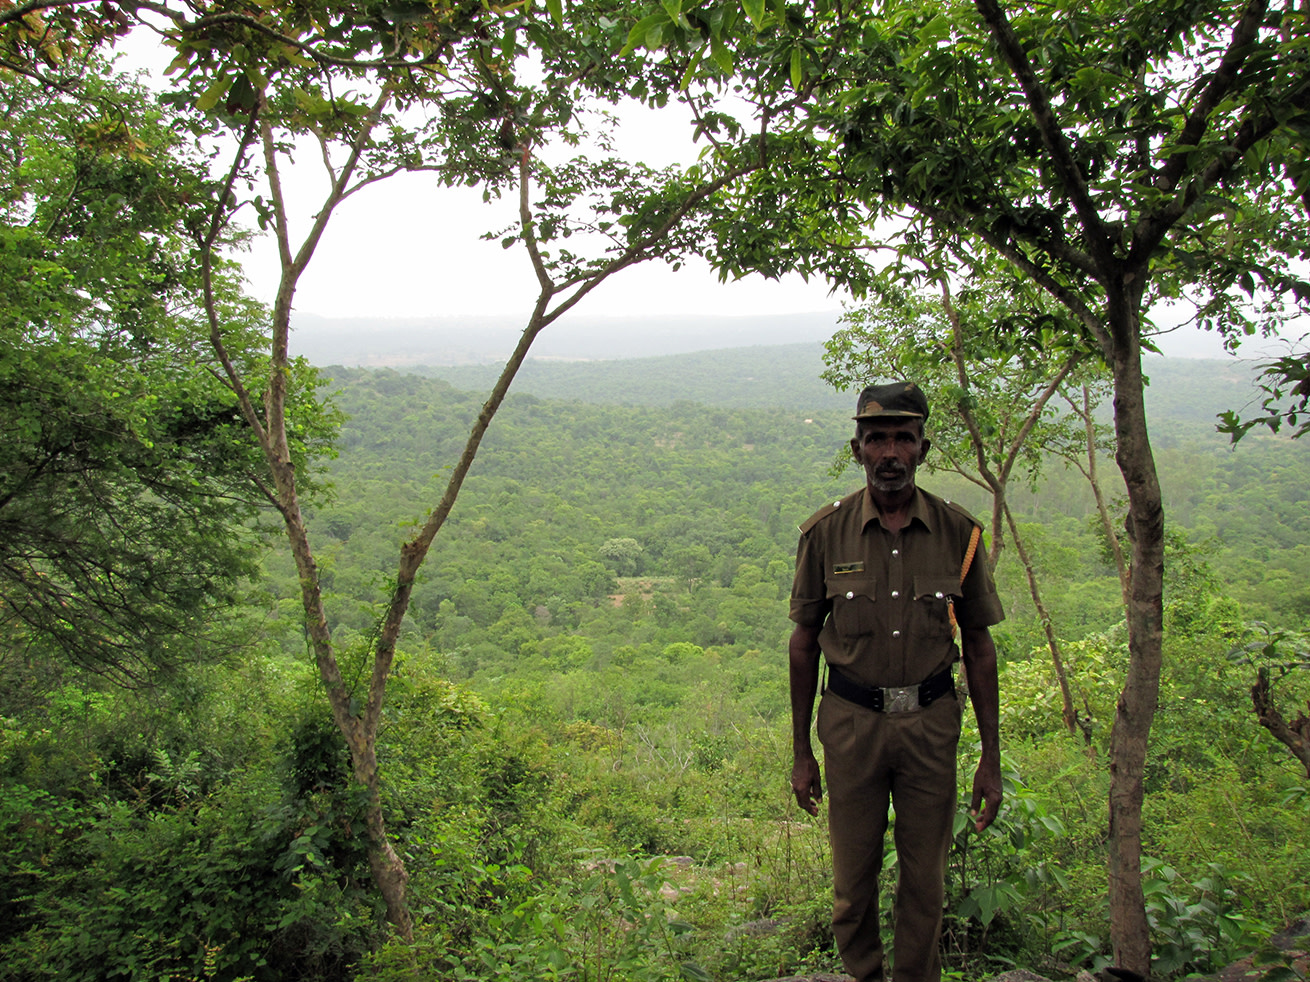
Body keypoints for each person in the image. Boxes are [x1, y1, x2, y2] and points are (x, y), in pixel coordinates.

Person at [788, 381, 1004, 982]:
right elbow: (804, 642)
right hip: (851, 729)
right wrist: (802, 751)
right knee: (851, 888)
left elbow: (980, 645)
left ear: (922, 448)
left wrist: (991, 754)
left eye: (902, 439)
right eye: (876, 438)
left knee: (925, 886)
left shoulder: (959, 534)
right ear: (857, 448)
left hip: (931, 729)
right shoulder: (824, 535)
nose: (889, 452)